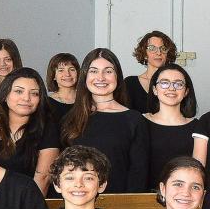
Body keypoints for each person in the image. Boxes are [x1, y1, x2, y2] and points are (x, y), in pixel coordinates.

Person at [60, 49, 150, 193]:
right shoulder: (69, 118)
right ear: (85, 76)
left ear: (117, 76)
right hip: (76, 204)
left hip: (118, 206)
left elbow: (138, 174)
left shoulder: (134, 120)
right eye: (94, 71)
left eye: (108, 71)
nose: (100, 77)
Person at [0, 67, 61, 189]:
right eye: (19, 91)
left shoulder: (47, 127)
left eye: (34, 93)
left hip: (28, 200)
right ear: (5, 95)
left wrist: (28, 207)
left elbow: (43, 178)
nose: (26, 98)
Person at [141, 63, 201, 182]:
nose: (171, 88)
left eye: (178, 84)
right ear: (154, 90)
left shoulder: (198, 126)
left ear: (186, 91)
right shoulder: (140, 122)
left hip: (183, 196)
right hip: (145, 194)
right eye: (164, 83)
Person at [124, 32, 177, 110]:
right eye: (152, 48)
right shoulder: (130, 83)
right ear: (144, 54)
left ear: (167, 54)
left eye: (163, 49)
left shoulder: (176, 83)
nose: (159, 53)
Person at [45, 52, 80, 118]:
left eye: (72, 70)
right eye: (61, 70)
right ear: (54, 76)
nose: (67, 74)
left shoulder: (86, 100)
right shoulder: (46, 104)